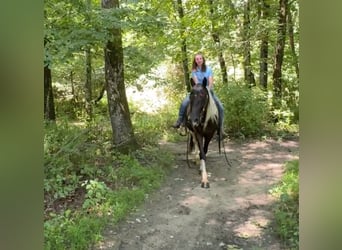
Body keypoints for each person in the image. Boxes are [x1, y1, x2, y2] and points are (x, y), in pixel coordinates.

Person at [172, 52, 224, 137]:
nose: (199, 60)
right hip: (197, 91)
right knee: (184, 103)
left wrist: (208, 89)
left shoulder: (208, 69)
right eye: (197, 59)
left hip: (208, 91)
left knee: (220, 107)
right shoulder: (194, 70)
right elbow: (196, 83)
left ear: (203, 60)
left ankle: (220, 127)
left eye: (200, 58)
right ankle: (180, 121)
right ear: (195, 61)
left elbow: (210, 81)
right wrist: (199, 89)